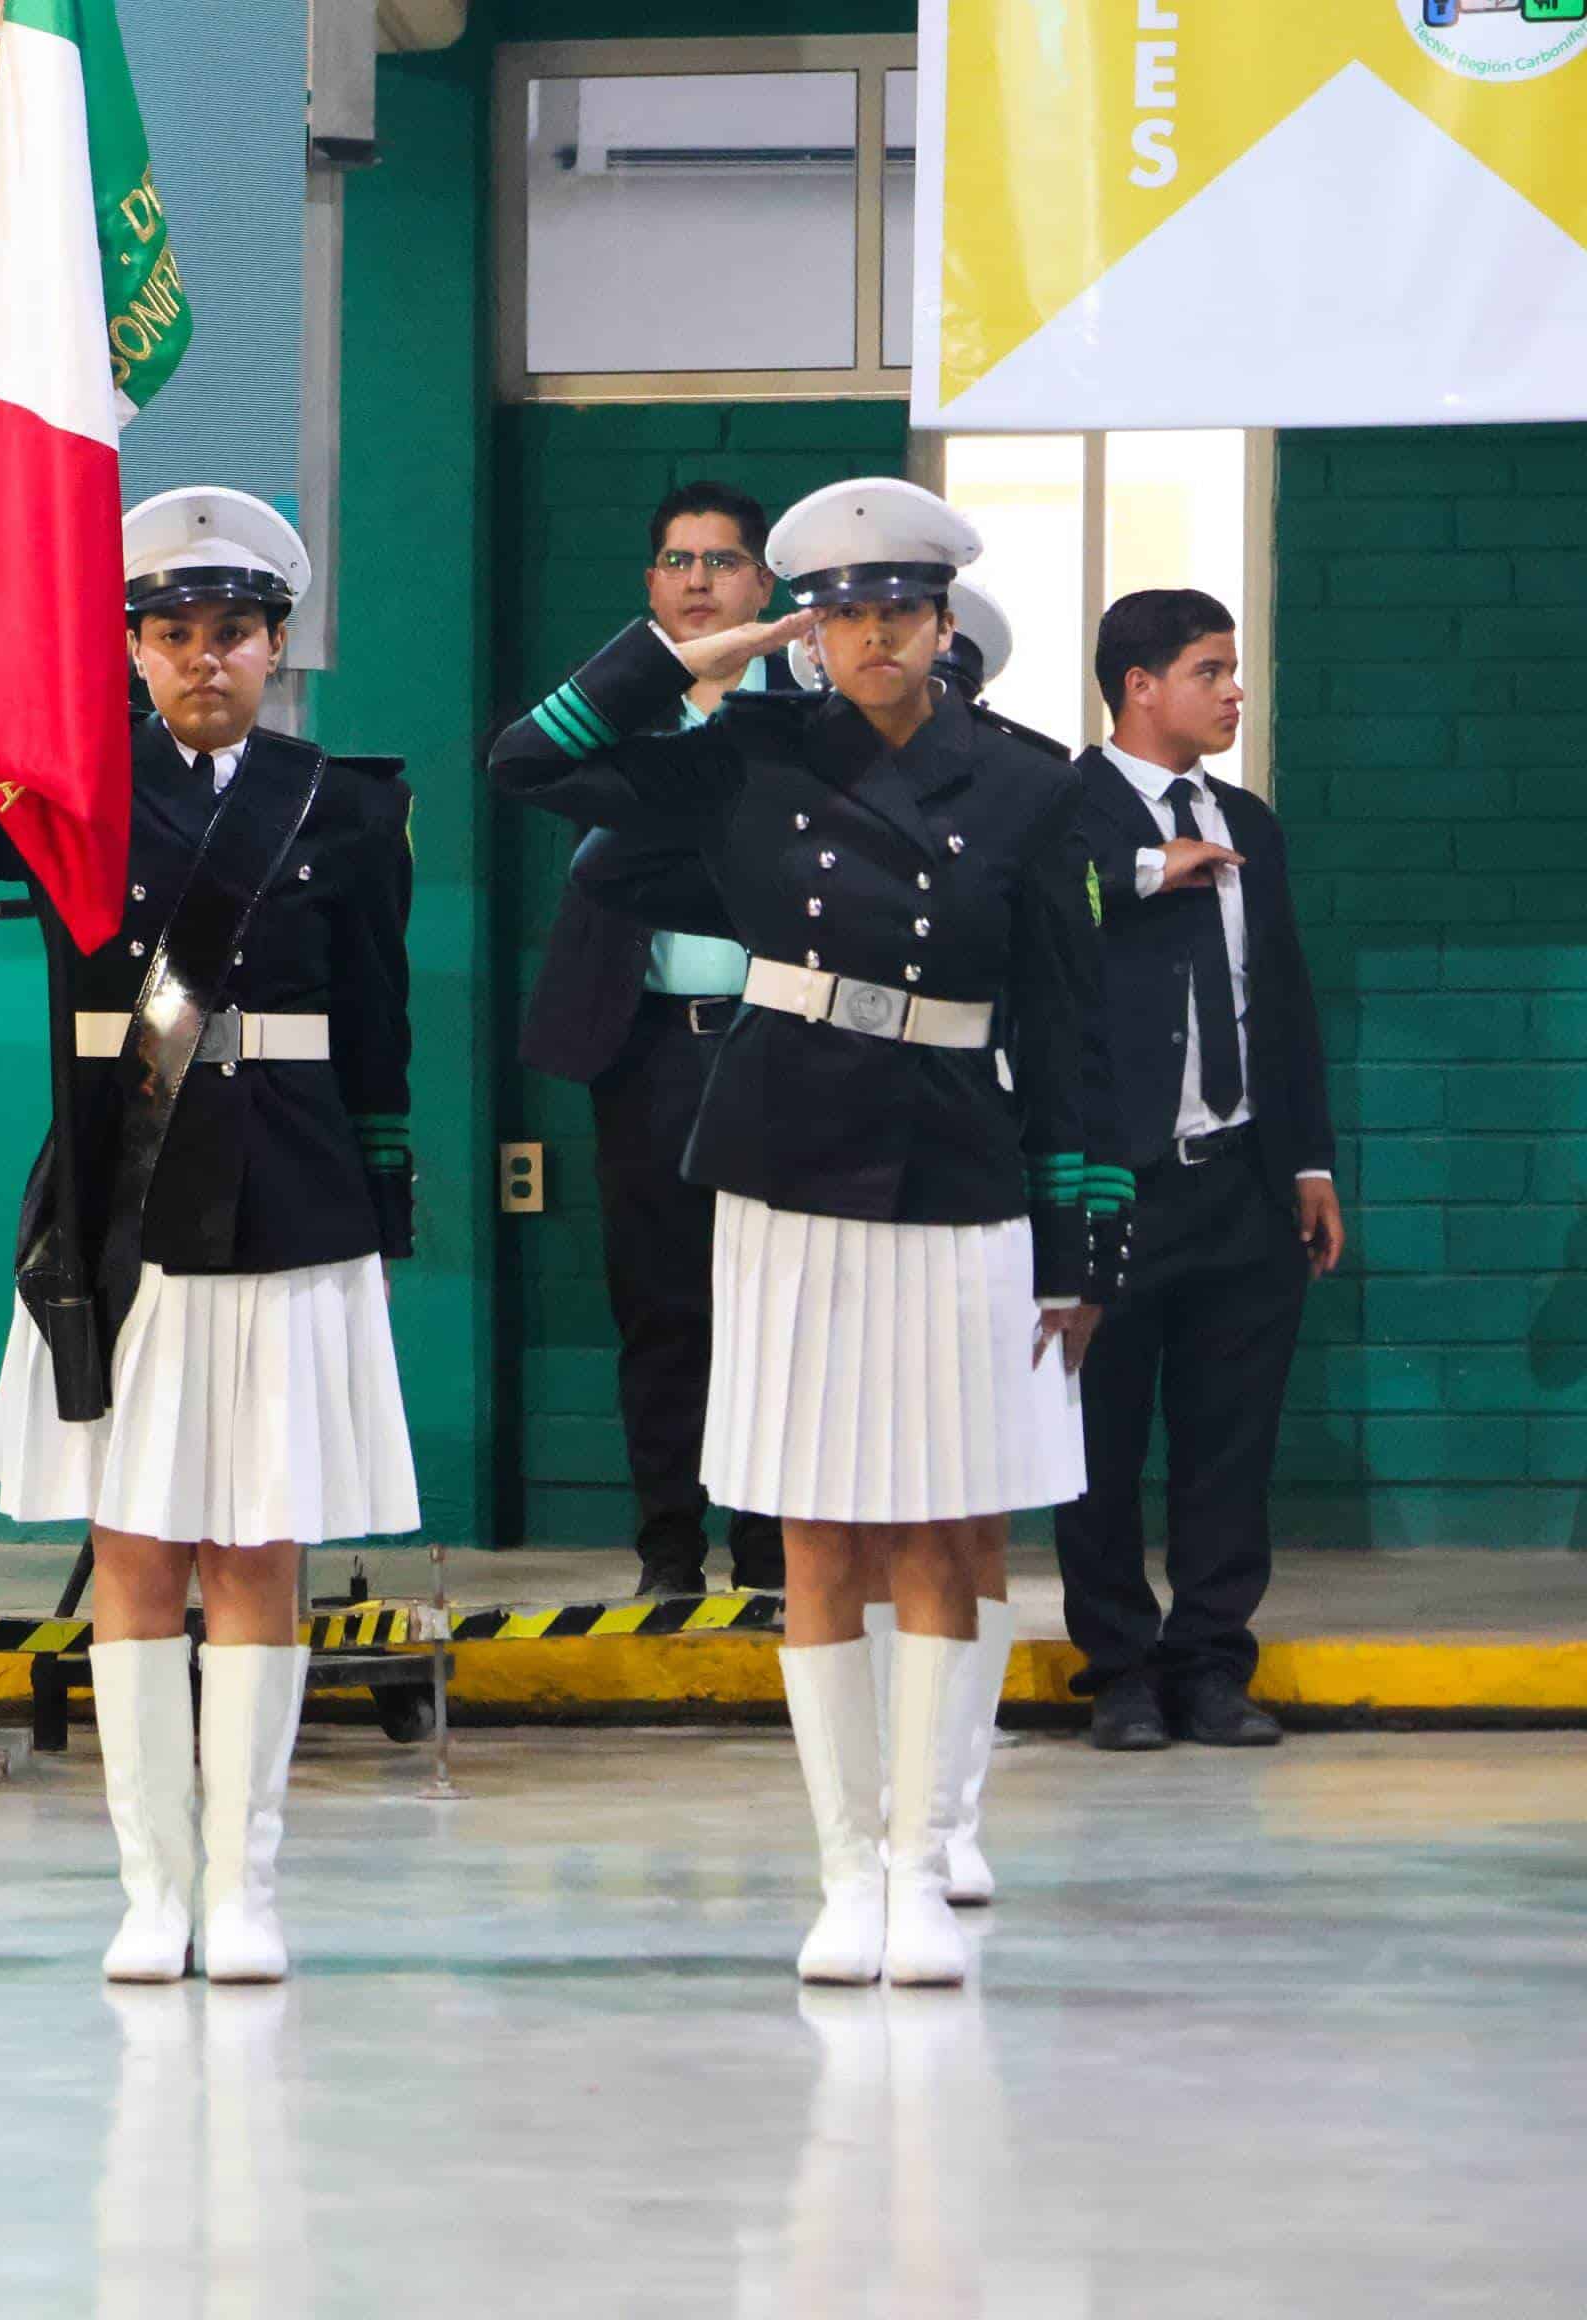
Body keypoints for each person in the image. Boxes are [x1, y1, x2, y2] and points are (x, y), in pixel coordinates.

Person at [490, 478, 1110, 1991]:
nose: (871, 633)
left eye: (898, 608)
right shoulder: (747, 758)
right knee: (821, 1526)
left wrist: (1085, 1238)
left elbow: (1076, 1030)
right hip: (782, 1153)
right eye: (839, 611)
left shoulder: (1034, 789)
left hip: (957, 1163)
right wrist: (681, 656)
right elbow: (525, 764)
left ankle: (922, 1848)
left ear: (942, 619)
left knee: (945, 1521)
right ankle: (847, 1876)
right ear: (808, 629)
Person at [0, 488, 418, 1987]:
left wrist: (385, 1197)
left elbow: (381, 1025)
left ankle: (251, 1886)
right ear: (130, 649)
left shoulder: (338, 802)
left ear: (278, 645)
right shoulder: (65, 786)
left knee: (262, 1544)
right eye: (167, 633)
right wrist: (18, 707)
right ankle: (155, 1889)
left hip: (289, 1197)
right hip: (122, 1199)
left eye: (231, 632)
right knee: (137, 1545)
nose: (202, 658)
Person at [1057, 589, 1338, 1752]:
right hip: (1115, 1184)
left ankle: (1213, 1660)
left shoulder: (1250, 823)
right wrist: (1134, 872)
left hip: (1242, 1179)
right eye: (1211, 670)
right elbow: (1022, 944)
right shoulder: (1057, 814)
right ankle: (1119, 1667)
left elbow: (1281, 996)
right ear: (1139, 685)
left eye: (1233, 671)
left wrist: (1310, 1162)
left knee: (1231, 1439)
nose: (1233, 692)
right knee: (1101, 1440)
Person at [518, 481, 794, 1599]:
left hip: (783, 1049)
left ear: (763, 585)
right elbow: (524, 767)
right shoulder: (613, 714)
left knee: (777, 1310)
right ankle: (669, 1553)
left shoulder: (804, 716)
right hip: (649, 1050)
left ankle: (773, 1555)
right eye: (677, 562)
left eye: (721, 561)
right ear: (650, 586)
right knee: (663, 1308)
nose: (698, 581)